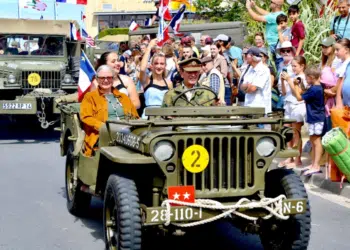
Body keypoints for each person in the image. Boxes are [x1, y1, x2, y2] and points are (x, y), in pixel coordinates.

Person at [80, 65, 139, 157]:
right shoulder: (90, 97)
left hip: (127, 134)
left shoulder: (123, 97)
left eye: (109, 77)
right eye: (102, 78)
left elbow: (135, 117)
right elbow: (86, 117)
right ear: (97, 79)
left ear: (113, 79)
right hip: (103, 136)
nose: (106, 80)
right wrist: (104, 127)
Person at [288, 66, 325, 176]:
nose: (306, 80)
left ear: (312, 77)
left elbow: (299, 98)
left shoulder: (314, 89)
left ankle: (316, 165)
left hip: (316, 118)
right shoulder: (317, 87)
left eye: (307, 78)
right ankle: (314, 163)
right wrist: (300, 85)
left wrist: (294, 84)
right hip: (314, 117)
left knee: (316, 141)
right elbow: (305, 91)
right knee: (313, 140)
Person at [279, 56, 307, 168]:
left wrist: (289, 80)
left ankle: (297, 158)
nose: (293, 68)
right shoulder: (292, 77)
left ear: (302, 66)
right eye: (292, 66)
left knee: (296, 133)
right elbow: (284, 92)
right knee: (287, 131)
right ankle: (289, 156)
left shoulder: (302, 78)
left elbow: (298, 94)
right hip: (288, 105)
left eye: (295, 66)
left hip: (298, 106)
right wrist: (282, 80)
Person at [140, 38, 173, 117]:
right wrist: (149, 48)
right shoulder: (147, 80)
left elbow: (171, 103)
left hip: (164, 116)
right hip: (149, 116)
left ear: (165, 66)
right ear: (152, 66)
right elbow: (142, 69)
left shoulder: (168, 83)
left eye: (162, 64)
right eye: (156, 63)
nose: (159, 66)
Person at [240, 47, 272, 118]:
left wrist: (248, 87)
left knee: (261, 129)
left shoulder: (263, 70)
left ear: (253, 57)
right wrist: (248, 86)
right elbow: (242, 86)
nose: (245, 57)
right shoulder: (249, 69)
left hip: (260, 110)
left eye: (247, 55)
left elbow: (253, 89)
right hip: (248, 107)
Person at [320, 36, 338, 131]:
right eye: (322, 47)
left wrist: (330, 91)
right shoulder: (324, 62)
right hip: (326, 97)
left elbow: (337, 80)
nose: (324, 49)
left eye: (326, 47)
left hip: (333, 97)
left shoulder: (336, 61)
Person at [335, 38, 350, 107]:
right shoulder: (340, 63)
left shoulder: (347, 64)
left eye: (337, 50)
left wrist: (330, 91)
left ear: (346, 50)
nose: (335, 52)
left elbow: (340, 83)